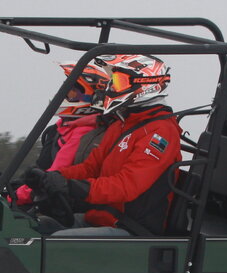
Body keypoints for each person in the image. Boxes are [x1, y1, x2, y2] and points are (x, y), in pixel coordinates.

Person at [27, 54, 180, 235]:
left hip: (131, 229)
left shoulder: (160, 132)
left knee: (55, 243)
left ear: (146, 86)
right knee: (31, 228)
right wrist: (51, 177)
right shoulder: (122, 124)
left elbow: (126, 186)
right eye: (113, 81)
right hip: (100, 218)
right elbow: (90, 168)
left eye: (119, 82)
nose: (111, 88)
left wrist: (70, 186)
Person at [14, 59, 110, 206]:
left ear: (92, 97)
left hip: (55, 202)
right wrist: (14, 187)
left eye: (71, 92)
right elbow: (42, 167)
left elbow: (54, 174)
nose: (65, 95)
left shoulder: (83, 133)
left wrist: (13, 197)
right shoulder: (62, 126)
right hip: (40, 194)